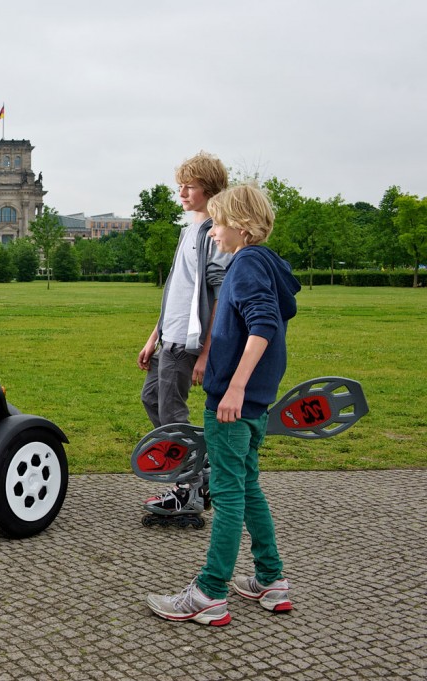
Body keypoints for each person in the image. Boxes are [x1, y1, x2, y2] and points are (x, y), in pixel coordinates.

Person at [146, 183, 302, 626]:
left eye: (218, 222)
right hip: (254, 403)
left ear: (242, 225)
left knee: (230, 495)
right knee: (248, 485)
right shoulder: (263, 263)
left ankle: (209, 594)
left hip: (235, 405)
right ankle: (271, 580)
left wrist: (233, 388)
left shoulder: (248, 262)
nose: (212, 231)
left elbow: (264, 325)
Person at [138, 151, 232, 515]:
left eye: (189, 186)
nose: (181, 192)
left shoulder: (215, 234)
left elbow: (220, 297)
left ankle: (187, 490)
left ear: (208, 189)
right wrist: (153, 336)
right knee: (152, 400)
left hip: (188, 342)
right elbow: (175, 292)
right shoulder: (188, 231)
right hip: (168, 337)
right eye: (180, 185)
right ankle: (202, 468)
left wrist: (206, 353)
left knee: (173, 411)